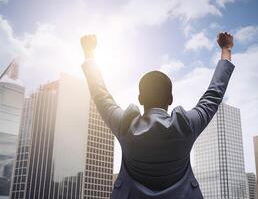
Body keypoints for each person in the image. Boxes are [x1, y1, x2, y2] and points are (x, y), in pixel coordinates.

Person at [81, 32, 234, 199]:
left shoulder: (124, 126)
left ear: (140, 99)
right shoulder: (186, 126)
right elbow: (213, 96)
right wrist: (226, 49)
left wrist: (89, 53)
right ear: (170, 99)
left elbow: (100, 94)